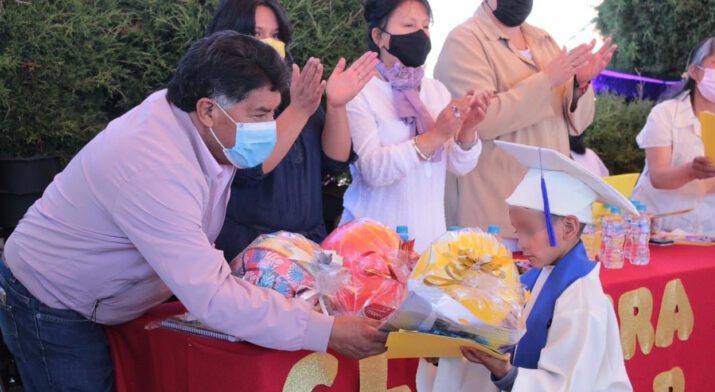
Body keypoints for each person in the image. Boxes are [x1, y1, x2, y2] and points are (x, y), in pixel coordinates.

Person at [0, 32, 387, 392]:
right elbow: (213, 298)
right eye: (261, 115)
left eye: (273, 111)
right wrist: (325, 331)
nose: (269, 125)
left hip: (116, 288)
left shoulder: (200, 128)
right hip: (52, 300)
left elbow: (241, 186)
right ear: (208, 109)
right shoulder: (151, 162)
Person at [416, 143, 633, 392]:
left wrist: (505, 372)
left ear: (568, 227)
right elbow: (511, 351)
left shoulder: (582, 301)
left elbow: (563, 390)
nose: (520, 242)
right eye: (518, 229)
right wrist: (448, 352)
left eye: (530, 230)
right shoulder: (539, 281)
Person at [209, 0, 379, 261]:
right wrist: (298, 110)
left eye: (276, 35)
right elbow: (250, 167)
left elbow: (334, 161)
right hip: (251, 252)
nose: (269, 43)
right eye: (257, 34)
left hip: (309, 246)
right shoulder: (222, 98)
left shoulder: (294, 91)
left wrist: (336, 105)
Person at [433, 0, 616, 243]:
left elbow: (577, 125)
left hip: (548, 212)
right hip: (494, 217)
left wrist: (580, 84)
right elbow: (478, 121)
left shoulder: (543, 39)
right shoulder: (464, 40)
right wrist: (547, 79)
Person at [340, 0, 490, 252]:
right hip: (374, 248)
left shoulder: (435, 90)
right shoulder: (361, 91)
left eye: (425, 26)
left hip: (428, 242)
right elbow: (372, 170)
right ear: (379, 36)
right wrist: (435, 135)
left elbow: (458, 165)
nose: (420, 35)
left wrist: (467, 130)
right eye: (409, 25)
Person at [632, 37, 715, 236]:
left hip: (710, 230)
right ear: (694, 71)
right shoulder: (664, 113)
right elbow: (658, 177)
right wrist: (692, 171)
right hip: (658, 227)